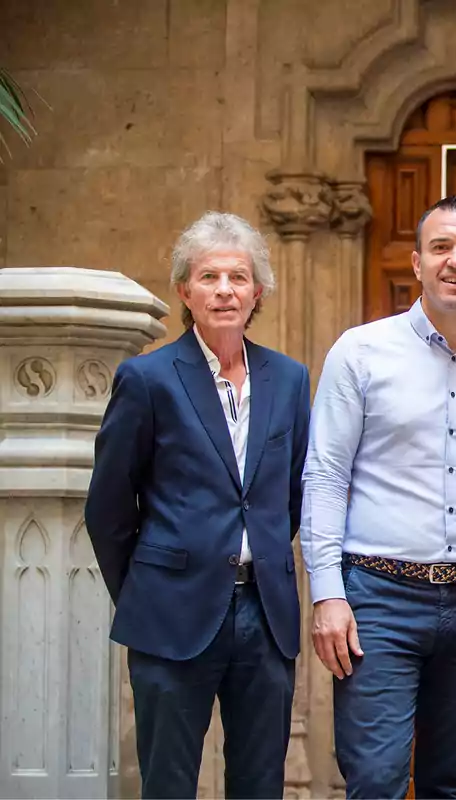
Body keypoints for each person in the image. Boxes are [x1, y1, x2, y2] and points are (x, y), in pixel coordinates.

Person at [300, 195, 456, 798]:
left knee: (451, 784)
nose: (455, 261)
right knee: (376, 780)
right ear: (416, 262)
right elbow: (325, 475)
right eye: (441, 247)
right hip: (378, 599)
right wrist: (328, 593)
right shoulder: (359, 354)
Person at [85, 212, 310, 798]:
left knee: (260, 783)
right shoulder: (148, 378)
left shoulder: (288, 379)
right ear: (185, 290)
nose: (225, 290)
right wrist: (148, 585)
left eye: (238, 277)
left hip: (264, 617)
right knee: (169, 782)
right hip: (171, 611)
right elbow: (108, 507)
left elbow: (291, 494)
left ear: (257, 291)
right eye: (208, 277)